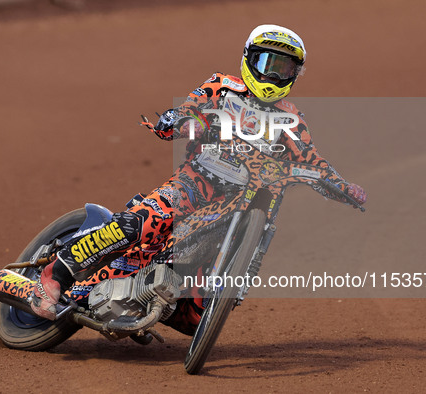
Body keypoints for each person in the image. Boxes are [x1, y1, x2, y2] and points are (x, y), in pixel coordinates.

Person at [30, 24, 367, 334]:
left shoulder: (291, 119)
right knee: (148, 221)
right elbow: (184, 112)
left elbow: (312, 160)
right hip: (194, 184)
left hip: (239, 203)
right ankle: (55, 273)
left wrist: (340, 185)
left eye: (285, 68)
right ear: (249, 60)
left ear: (296, 74)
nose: (275, 74)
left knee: (196, 318)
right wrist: (184, 120)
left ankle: (157, 296)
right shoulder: (222, 87)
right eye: (267, 63)